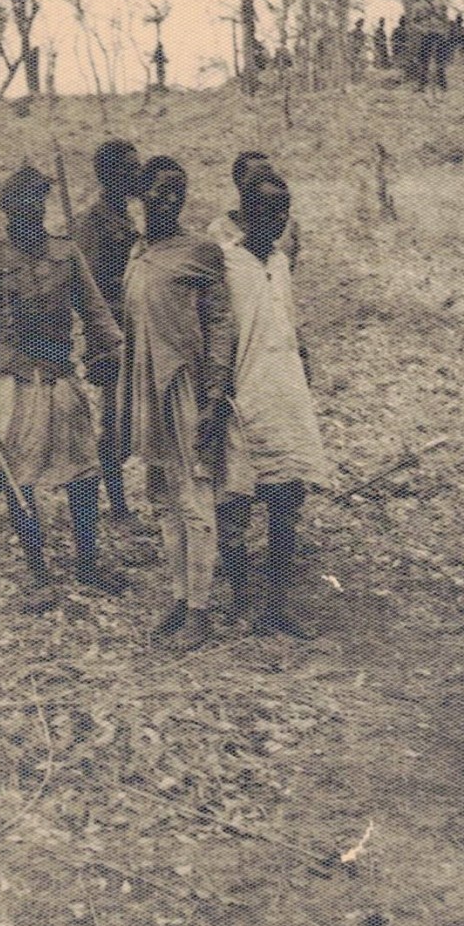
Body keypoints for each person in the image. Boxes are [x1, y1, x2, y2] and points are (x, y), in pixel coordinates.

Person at [0, 165, 127, 608]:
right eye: (22, 205)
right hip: (11, 383)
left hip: (59, 378)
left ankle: (88, 564)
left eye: (38, 202)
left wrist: (114, 353)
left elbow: (95, 314)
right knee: (19, 479)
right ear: (7, 211)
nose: (31, 212)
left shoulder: (66, 254)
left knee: (82, 472)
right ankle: (38, 573)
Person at [119, 156, 237, 650]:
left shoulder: (201, 252)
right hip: (146, 389)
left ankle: (200, 611)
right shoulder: (138, 252)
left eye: (179, 191)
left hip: (186, 388)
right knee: (162, 499)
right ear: (140, 194)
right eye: (161, 190)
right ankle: (179, 595)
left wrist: (214, 393)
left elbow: (221, 325)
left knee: (194, 496)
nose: (171, 199)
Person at [214, 173, 329, 639]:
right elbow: (219, 335)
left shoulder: (280, 262)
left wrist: (302, 360)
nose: (277, 219)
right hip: (243, 397)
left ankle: (277, 605)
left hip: (284, 395)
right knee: (235, 501)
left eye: (284, 210)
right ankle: (241, 599)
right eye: (267, 210)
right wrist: (218, 395)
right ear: (245, 211)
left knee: (287, 499)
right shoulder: (225, 263)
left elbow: (287, 324)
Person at [75, 139, 148, 531]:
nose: (138, 175)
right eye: (130, 169)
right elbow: (89, 292)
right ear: (110, 175)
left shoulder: (125, 217)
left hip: (138, 330)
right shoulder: (93, 223)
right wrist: (107, 342)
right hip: (113, 337)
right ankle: (118, 508)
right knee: (116, 422)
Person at [208, 151, 302, 271]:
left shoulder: (288, 226)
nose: (266, 175)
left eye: (269, 170)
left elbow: (289, 266)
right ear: (239, 180)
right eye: (259, 171)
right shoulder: (218, 228)